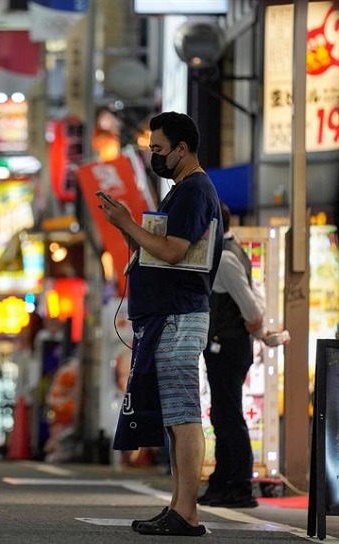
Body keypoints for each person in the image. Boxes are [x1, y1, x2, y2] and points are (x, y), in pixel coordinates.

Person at [98, 111, 223, 537]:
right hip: (171, 314)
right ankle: (179, 507)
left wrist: (127, 224)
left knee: (183, 414)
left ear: (182, 149)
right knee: (176, 414)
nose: (154, 156)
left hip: (179, 316)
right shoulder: (185, 190)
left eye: (158, 149)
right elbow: (161, 250)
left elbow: (172, 251)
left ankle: (186, 512)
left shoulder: (193, 190)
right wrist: (128, 227)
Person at [199, 202, 269, 508]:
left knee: (228, 416)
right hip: (227, 345)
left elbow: (252, 307)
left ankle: (239, 485)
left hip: (227, 346)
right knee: (223, 414)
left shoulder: (226, 257)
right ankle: (224, 482)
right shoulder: (230, 252)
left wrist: (255, 326)